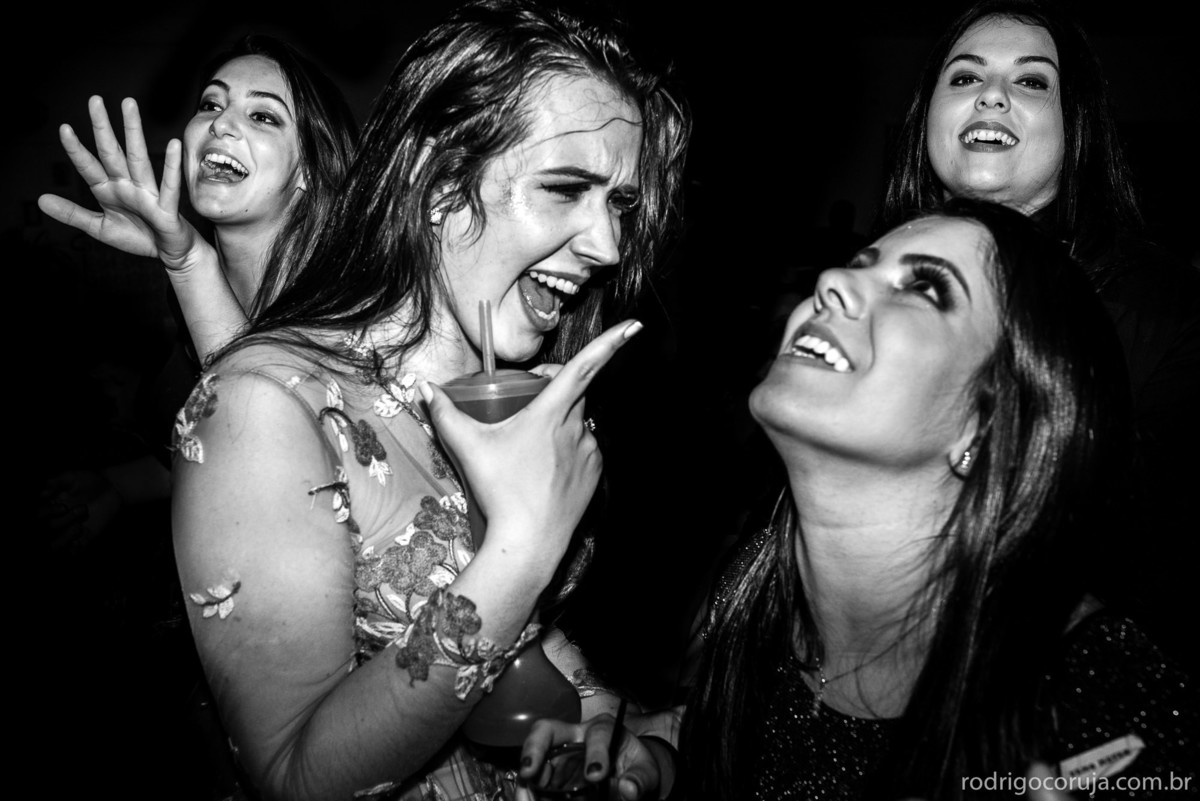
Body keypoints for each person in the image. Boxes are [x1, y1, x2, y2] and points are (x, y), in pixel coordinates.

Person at [171, 1, 690, 800]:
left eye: (619, 203)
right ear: (439, 181)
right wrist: (522, 550)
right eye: (565, 188)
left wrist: (600, 729)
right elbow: (295, 775)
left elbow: (534, 650)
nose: (609, 247)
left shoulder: (517, 393)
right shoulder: (264, 408)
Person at [517, 200, 1198, 800]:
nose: (833, 281)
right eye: (856, 265)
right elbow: (752, 745)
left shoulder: (1099, 692)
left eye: (924, 288)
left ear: (990, 429)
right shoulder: (758, 587)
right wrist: (658, 761)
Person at [878, 0, 1200, 670]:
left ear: (1074, 123)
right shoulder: (869, 287)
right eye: (965, 77)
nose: (991, 95)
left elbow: (1159, 556)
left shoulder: (1162, 306)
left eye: (1031, 80)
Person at [36, 34, 358, 548]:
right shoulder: (194, 291)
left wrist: (189, 263)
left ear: (310, 172)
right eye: (211, 104)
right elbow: (204, 454)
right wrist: (117, 488)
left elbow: (280, 467)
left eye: (263, 116)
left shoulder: (349, 310)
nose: (221, 123)